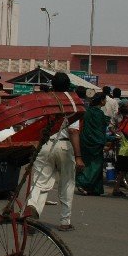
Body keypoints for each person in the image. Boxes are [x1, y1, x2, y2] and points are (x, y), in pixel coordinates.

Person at [25, 72, 84, 232]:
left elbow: (30, 124)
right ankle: (65, 221)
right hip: (65, 146)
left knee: (39, 182)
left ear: (53, 85)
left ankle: (31, 208)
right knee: (67, 184)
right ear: (67, 85)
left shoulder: (43, 101)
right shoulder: (71, 102)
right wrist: (78, 157)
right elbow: (73, 131)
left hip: (44, 145)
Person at [76, 92, 108, 196]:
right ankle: (83, 183)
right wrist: (105, 140)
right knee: (96, 165)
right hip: (95, 142)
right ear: (102, 101)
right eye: (105, 99)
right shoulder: (98, 113)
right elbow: (99, 129)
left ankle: (94, 189)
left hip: (85, 140)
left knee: (88, 164)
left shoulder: (87, 111)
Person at [112, 101, 128, 197]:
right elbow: (111, 126)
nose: (127, 107)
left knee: (124, 170)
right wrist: (116, 134)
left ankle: (118, 188)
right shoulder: (119, 117)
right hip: (126, 148)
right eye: (125, 106)